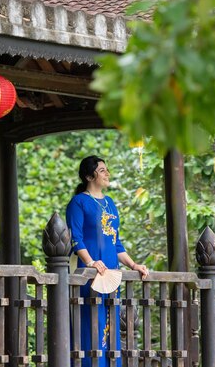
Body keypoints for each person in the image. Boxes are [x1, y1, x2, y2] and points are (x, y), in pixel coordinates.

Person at [66, 155, 149, 367]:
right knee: (90, 325)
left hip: (111, 276)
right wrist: (92, 262)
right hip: (90, 277)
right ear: (88, 176)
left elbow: (115, 243)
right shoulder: (79, 202)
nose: (107, 173)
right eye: (102, 170)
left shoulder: (110, 203)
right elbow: (76, 238)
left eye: (106, 169)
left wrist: (133, 265)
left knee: (110, 329)